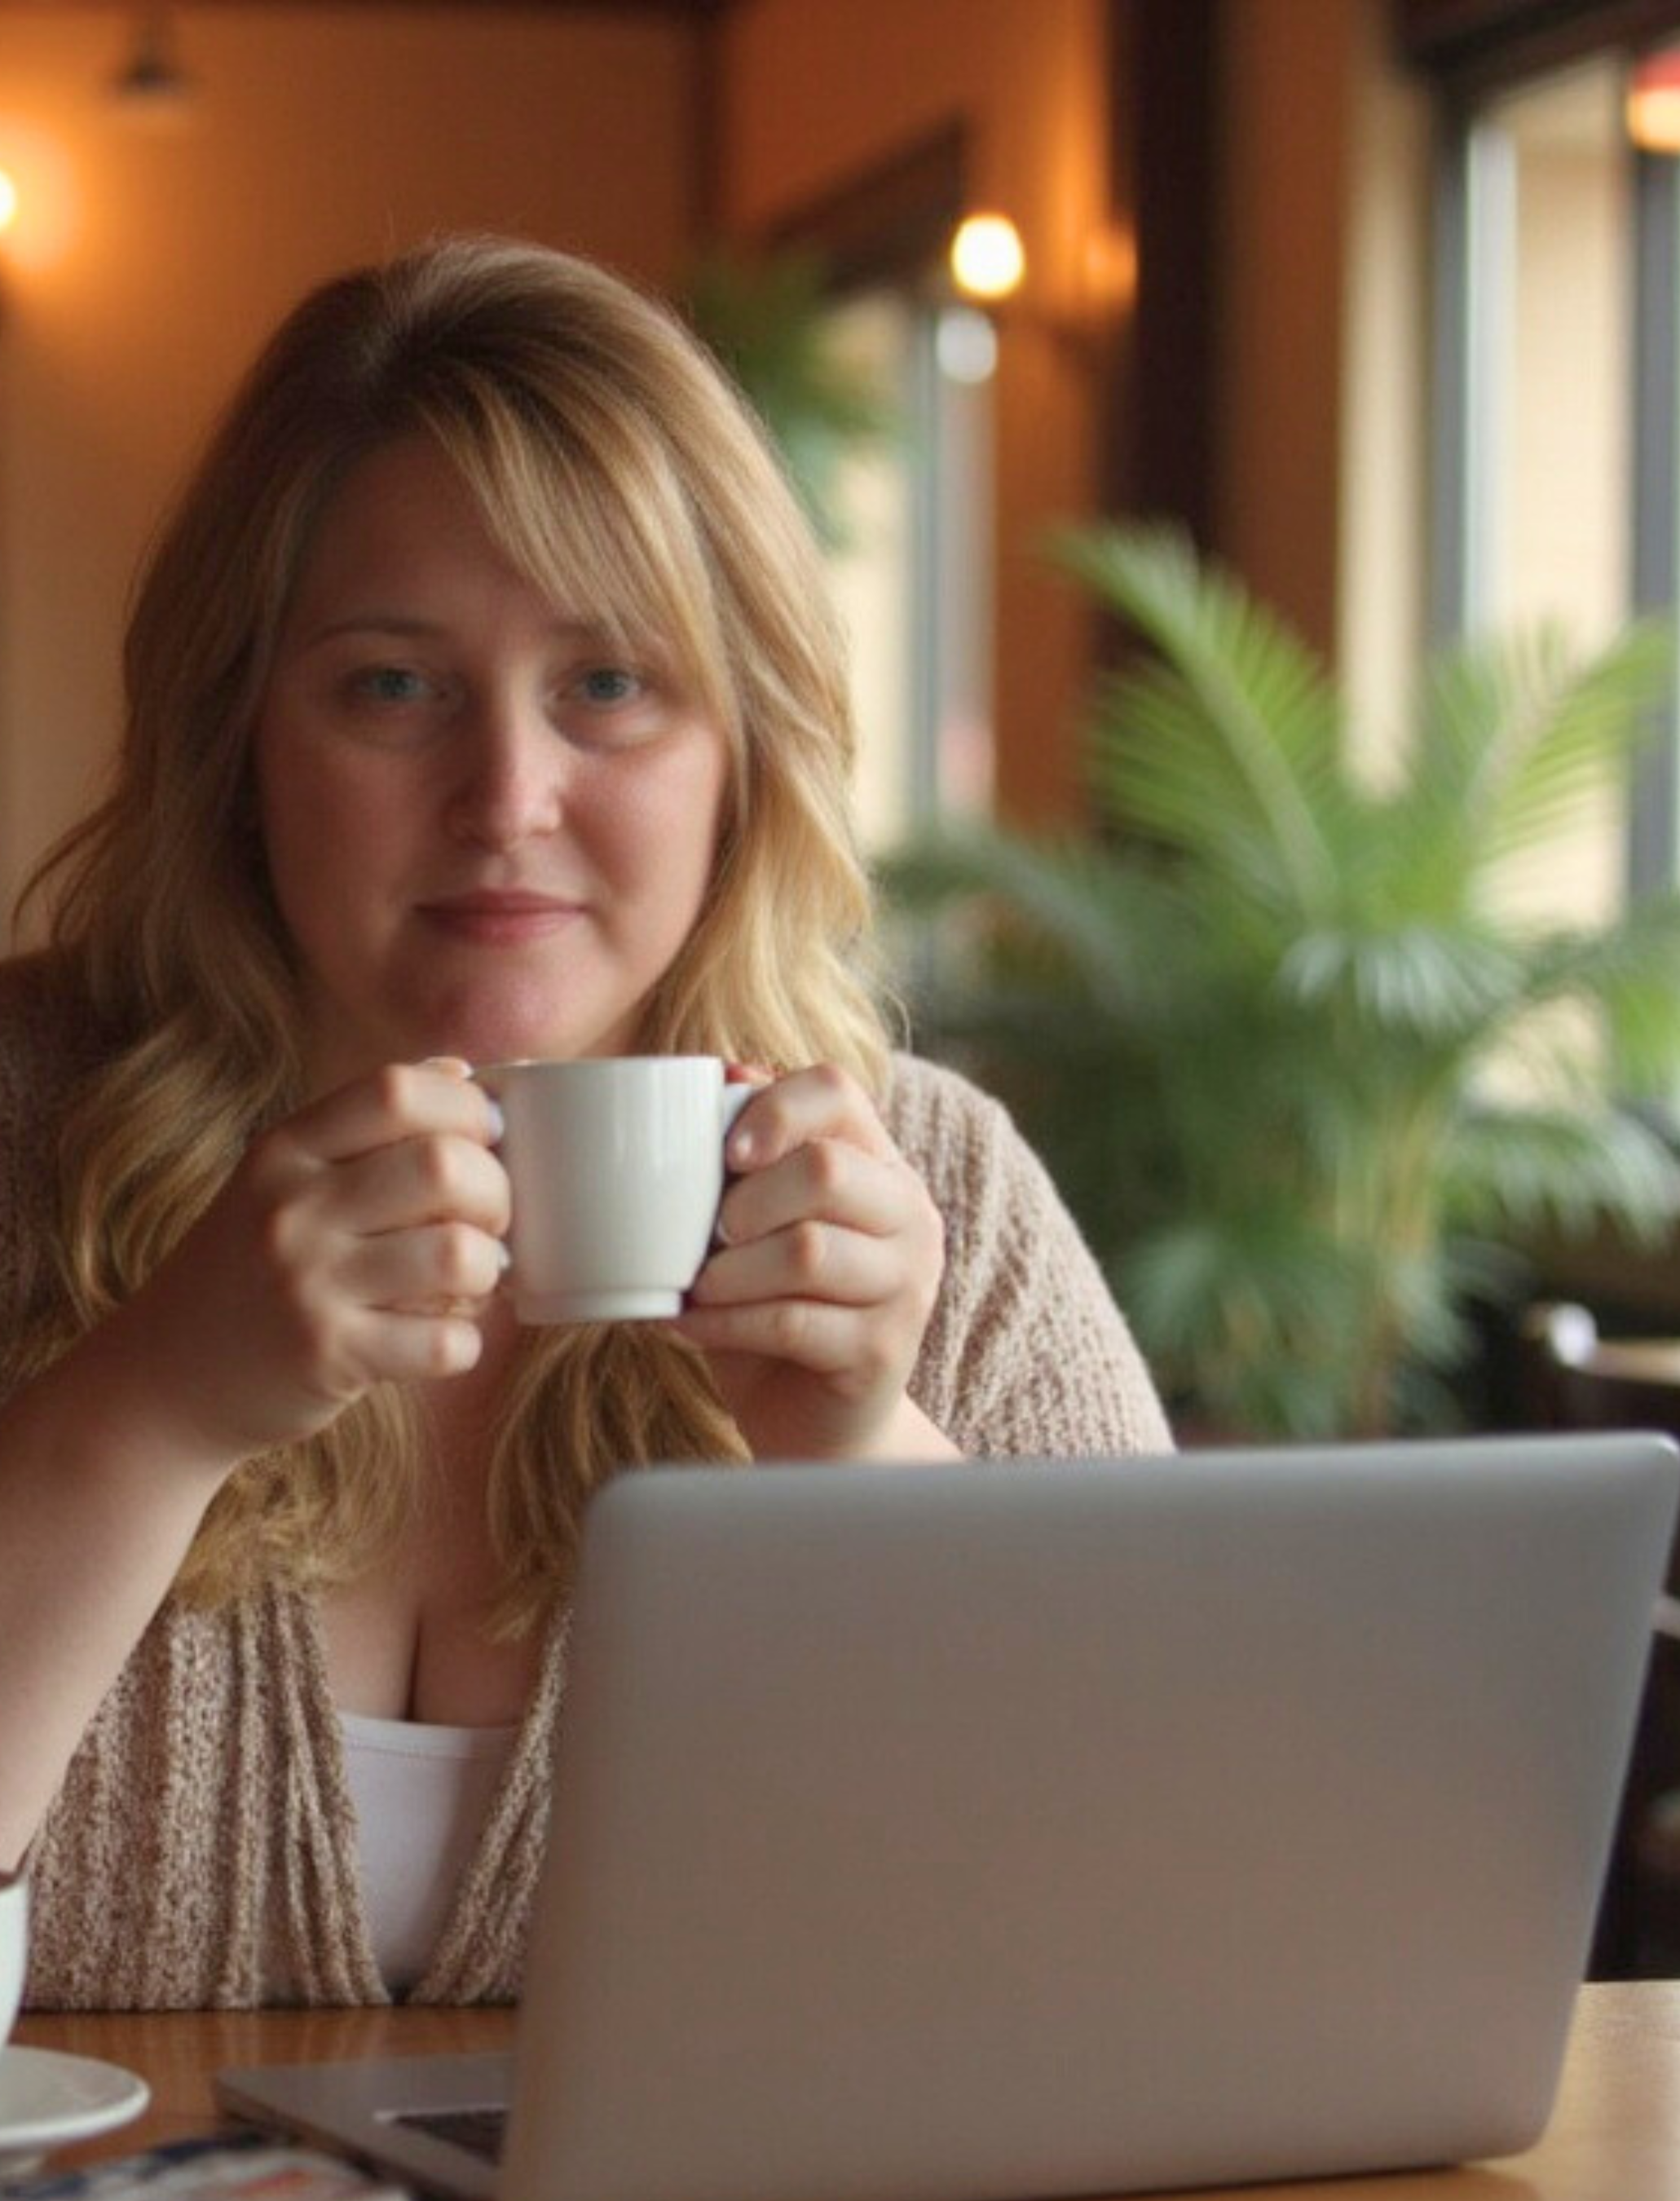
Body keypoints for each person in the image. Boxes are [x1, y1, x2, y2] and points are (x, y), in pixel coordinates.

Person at [0, 235, 1173, 2010]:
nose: (509, 801)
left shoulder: (940, 1200)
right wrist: (150, 1410)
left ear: (745, 749)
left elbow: (1170, 1928)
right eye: (394, 686)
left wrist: (860, 1456)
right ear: (242, 740)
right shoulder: (23, 1142)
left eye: (611, 685)